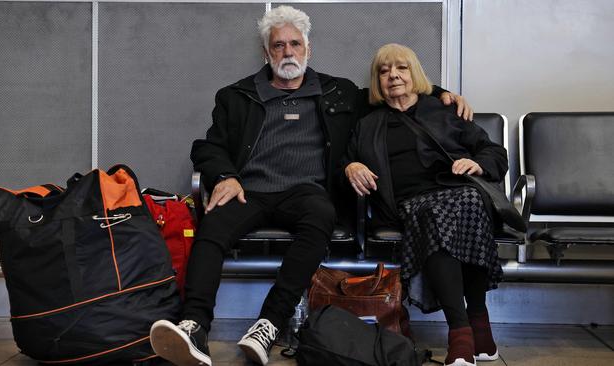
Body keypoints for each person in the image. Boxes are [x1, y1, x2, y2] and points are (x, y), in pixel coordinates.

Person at [149, 7, 472, 366]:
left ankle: (269, 323)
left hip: (307, 192)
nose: (288, 52)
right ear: (266, 53)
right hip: (249, 190)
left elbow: (395, 90)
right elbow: (208, 147)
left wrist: (441, 93)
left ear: (308, 49)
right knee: (212, 224)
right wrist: (225, 176)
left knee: (320, 216)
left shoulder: (340, 92)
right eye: (278, 46)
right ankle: (195, 326)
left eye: (295, 44)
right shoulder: (237, 96)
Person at [342, 43, 506, 366]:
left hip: (460, 195)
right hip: (407, 204)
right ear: (377, 81)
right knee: (438, 211)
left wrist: (477, 165)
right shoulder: (367, 124)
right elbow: (346, 162)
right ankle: (470, 331)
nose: (393, 76)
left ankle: (471, 328)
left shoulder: (444, 111)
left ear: (413, 73)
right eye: (384, 71)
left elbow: (494, 152)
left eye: (401, 68)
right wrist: (351, 166)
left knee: (466, 202)